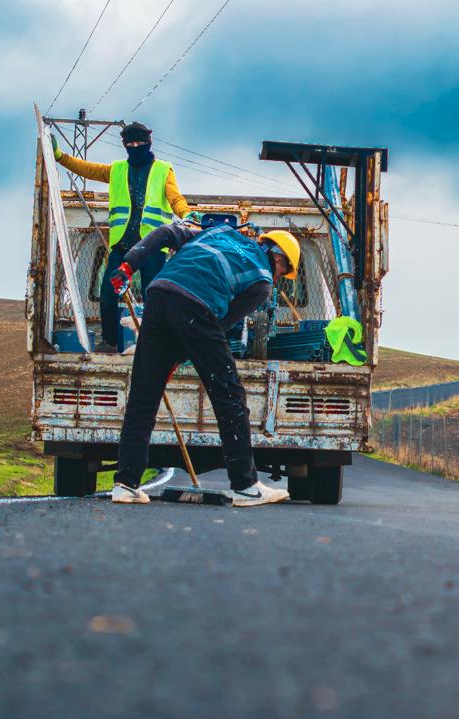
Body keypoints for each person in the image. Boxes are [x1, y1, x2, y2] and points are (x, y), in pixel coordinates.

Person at [107, 221, 302, 507]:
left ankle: (126, 484)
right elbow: (220, 324)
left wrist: (128, 266)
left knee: (143, 397)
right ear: (278, 258)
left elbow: (166, 233)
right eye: (285, 271)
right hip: (197, 309)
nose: (281, 276)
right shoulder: (262, 281)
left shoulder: (220, 232)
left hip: (158, 295)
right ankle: (246, 486)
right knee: (230, 397)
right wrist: (185, 350)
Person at [52, 122, 190, 352]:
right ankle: (109, 341)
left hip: (152, 246)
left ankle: (152, 345)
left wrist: (187, 215)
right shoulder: (116, 169)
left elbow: (175, 198)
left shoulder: (163, 170)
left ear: (149, 143)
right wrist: (59, 156)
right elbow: (87, 168)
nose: (135, 147)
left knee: (153, 298)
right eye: (130, 144)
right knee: (107, 293)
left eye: (140, 143)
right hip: (123, 245)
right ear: (125, 145)